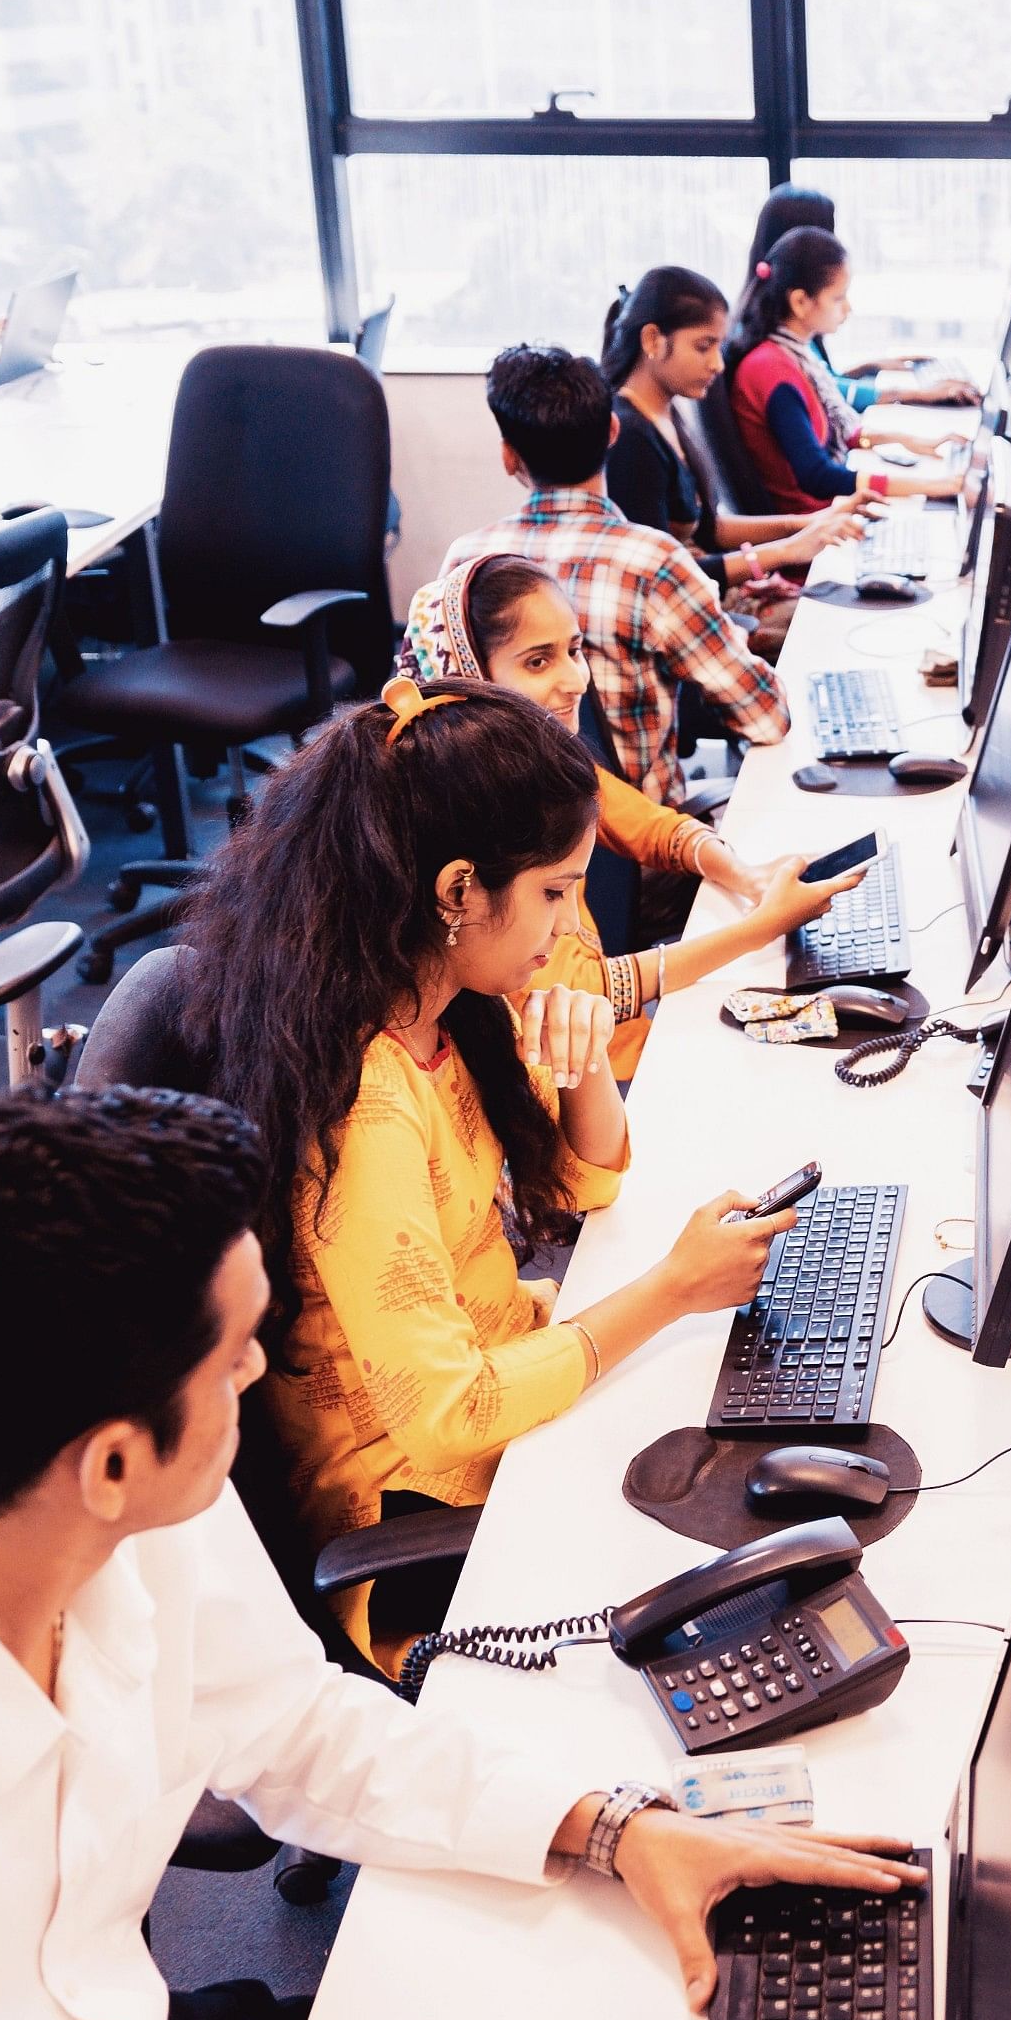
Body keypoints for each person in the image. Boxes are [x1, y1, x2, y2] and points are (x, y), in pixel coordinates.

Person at [0, 1087, 921, 2020]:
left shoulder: (88, 1510)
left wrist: (610, 1826)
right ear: (109, 1458)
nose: (265, 1376)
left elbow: (294, 1731)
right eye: (238, 1354)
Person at [169, 680, 801, 1676]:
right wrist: (673, 1288)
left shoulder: (439, 1000)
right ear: (459, 889)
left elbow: (588, 1187)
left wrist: (587, 1058)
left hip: (503, 1390)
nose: (563, 924)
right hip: (420, 1513)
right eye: (553, 891)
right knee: (747, 1558)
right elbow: (448, 1411)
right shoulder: (365, 1102)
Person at [406, 549, 872, 1080]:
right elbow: (577, 992)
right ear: (469, 676)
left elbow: (657, 829)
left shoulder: (542, 765)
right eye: (539, 661)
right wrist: (763, 927)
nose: (576, 679)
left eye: (575, 650)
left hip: (610, 1049)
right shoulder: (476, 814)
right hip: (577, 1075)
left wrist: (747, 875)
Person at [438, 345, 785, 806]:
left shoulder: (465, 563)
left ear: (508, 457)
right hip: (649, 857)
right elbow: (765, 718)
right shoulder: (655, 562)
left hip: (514, 855)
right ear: (614, 431)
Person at [600, 264, 870, 600]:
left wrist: (813, 523)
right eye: (703, 346)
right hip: (685, 613)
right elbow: (661, 580)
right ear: (653, 339)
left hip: (707, 597)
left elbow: (711, 528)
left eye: (718, 346)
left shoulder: (663, 411)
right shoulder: (630, 437)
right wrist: (785, 551)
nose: (718, 363)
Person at [720, 228, 965, 514]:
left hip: (824, 515)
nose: (848, 309)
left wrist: (908, 440)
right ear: (800, 302)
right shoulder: (772, 370)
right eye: (838, 298)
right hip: (812, 528)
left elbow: (836, 433)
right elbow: (819, 477)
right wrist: (930, 485)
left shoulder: (793, 353)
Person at [741, 184, 977, 410]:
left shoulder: (770, 315)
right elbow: (823, 393)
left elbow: (822, 379)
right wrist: (915, 394)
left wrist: (873, 366)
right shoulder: (770, 337)